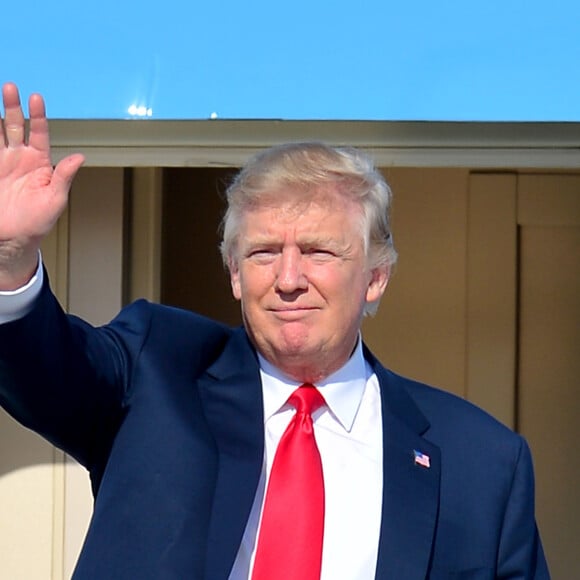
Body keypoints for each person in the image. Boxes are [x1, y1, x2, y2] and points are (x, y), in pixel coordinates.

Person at [0, 82, 549, 579]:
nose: (289, 280)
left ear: (376, 277)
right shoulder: (158, 372)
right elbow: (48, 372)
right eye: (264, 253)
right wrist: (10, 260)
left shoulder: (482, 463)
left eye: (317, 251)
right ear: (235, 274)